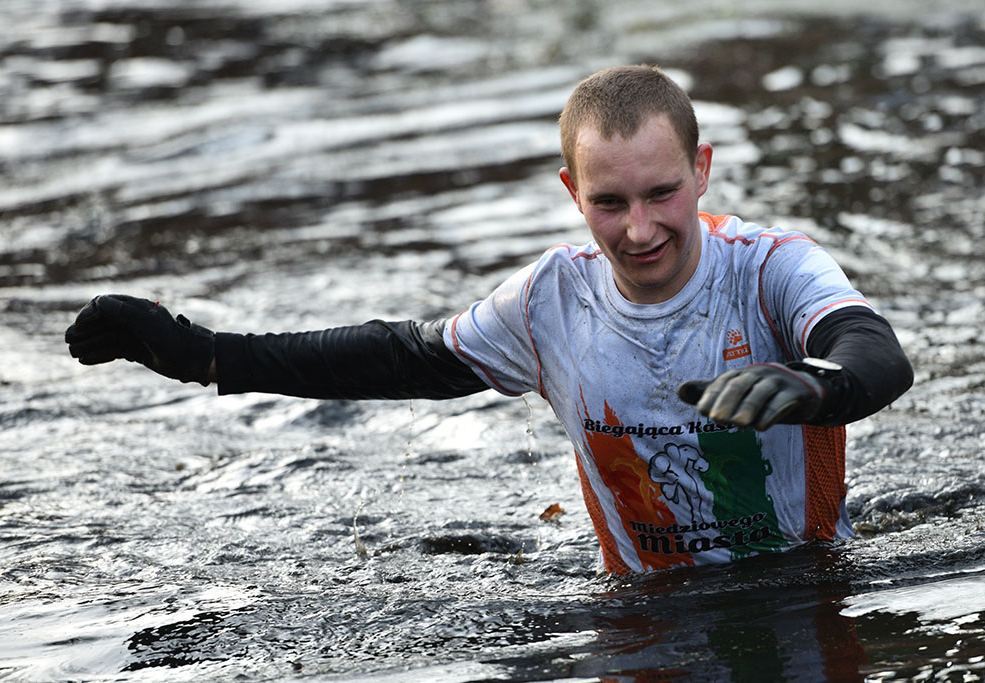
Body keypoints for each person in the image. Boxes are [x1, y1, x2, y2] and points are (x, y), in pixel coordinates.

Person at [65, 64, 913, 575]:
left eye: (662, 192)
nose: (640, 228)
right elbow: (403, 358)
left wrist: (810, 385)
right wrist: (209, 355)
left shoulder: (771, 269)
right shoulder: (551, 299)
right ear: (571, 192)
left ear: (702, 170)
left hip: (810, 582)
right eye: (609, 202)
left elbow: (876, 355)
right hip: (641, 610)